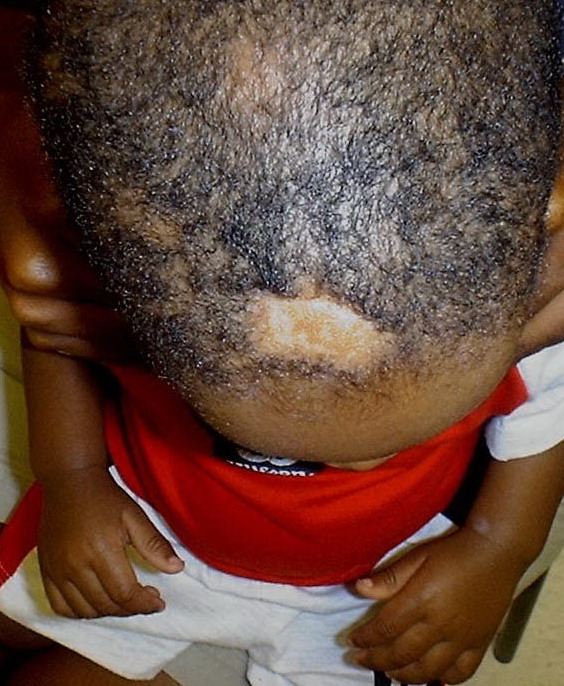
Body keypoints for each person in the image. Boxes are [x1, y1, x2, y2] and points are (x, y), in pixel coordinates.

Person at [1, 2, 564, 686]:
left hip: (372, 587)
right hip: (149, 532)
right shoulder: (154, 270)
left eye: (395, 439)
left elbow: (544, 423)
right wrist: (73, 478)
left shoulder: (507, 300)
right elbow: (59, 339)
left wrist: (496, 549)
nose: (352, 466)